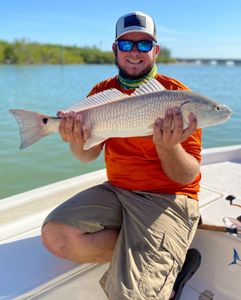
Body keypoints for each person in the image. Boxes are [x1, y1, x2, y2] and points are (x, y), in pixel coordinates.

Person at [41, 11, 201, 300]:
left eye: (143, 44)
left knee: (129, 295)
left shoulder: (178, 97)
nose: (135, 52)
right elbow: (87, 156)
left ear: (156, 50)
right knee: (55, 235)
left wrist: (168, 147)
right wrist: (75, 141)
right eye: (127, 45)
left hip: (168, 199)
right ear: (115, 49)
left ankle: (162, 258)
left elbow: (188, 175)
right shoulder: (101, 92)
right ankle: (156, 255)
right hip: (117, 192)